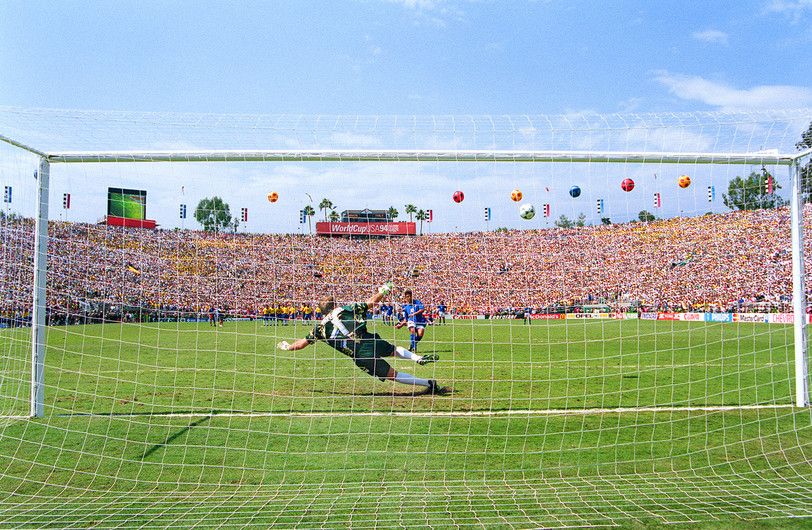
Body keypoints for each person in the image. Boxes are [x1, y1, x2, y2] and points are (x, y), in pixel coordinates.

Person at [277, 281, 446, 394]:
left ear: (321, 312)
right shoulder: (346, 309)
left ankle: (428, 383)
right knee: (394, 350)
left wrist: (287, 346)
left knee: (392, 374)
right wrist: (383, 291)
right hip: (368, 339)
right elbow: (371, 302)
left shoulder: (320, 328)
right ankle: (417, 357)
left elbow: (301, 344)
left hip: (359, 354)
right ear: (334, 305)